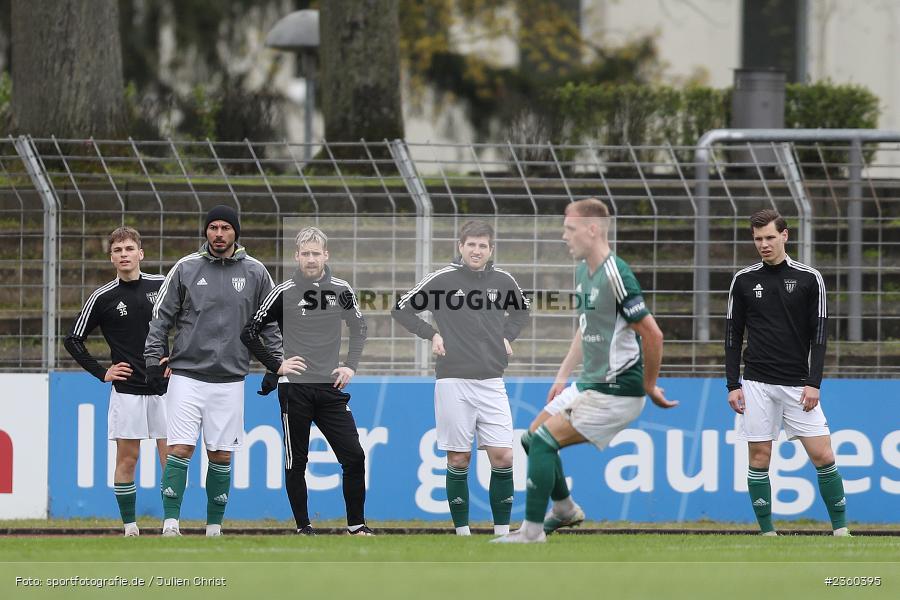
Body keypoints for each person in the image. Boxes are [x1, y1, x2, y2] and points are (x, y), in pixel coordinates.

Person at [494, 198, 677, 544]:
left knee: (546, 442)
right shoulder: (583, 271)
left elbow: (653, 333)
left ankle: (532, 533)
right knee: (532, 439)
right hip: (589, 382)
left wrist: (649, 384)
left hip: (617, 389)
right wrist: (562, 376)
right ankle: (563, 509)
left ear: (592, 230)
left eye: (570, 228)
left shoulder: (616, 274)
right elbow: (585, 326)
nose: (564, 236)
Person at [145, 205, 281, 537]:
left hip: (231, 379)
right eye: (213, 228)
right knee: (179, 448)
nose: (218, 234)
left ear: (236, 233)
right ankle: (171, 523)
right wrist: (152, 360)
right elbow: (160, 318)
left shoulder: (256, 272)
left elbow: (270, 325)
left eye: (225, 228)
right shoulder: (186, 268)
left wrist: (275, 366)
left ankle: (214, 528)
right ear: (205, 232)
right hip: (187, 376)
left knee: (221, 454)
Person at [392, 220, 530, 536]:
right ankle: (463, 534)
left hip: (492, 380)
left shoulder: (504, 281)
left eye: (483, 245)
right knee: (459, 458)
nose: (477, 250)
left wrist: (508, 336)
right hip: (453, 381)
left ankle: (502, 533)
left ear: (490, 249)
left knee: (504, 454)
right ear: (461, 247)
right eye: (471, 245)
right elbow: (401, 309)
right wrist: (431, 334)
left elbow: (522, 312)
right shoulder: (443, 280)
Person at [241, 226, 373, 536]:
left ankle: (357, 526)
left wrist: (350, 366)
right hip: (294, 390)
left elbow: (360, 328)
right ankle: (304, 527)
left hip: (331, 388)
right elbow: (249, 331)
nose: (311, 259)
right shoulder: (283, 291)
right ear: (296, 256)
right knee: (296, 461)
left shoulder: (341, 289)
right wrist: (277, 365)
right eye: (305, 254)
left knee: (354, 457)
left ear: (325, 255)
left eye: (316, 253)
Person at [725, 209, 849, 537]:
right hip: (755, 383)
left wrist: (814, 382)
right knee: (760, 456)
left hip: (798, 384)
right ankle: (767, 534)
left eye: (769, 237)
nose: (763, 244)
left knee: (823, 454)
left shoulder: (810, 278)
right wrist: (732, 384)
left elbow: (819, 335)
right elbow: (732, 335)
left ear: (785, 236)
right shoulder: (743, 280)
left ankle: (841, 531)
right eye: (757, 239)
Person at [64, 226, 168, 537]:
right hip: (126, 390)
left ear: (141, 253)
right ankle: (130, 527)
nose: (124, 254)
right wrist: (102, 372)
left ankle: (171, 524)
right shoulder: (103, 296)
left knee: (171, 459)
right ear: (112, 258)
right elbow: (73, 340)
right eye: (118, 251)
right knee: (128, 457)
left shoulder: (162, 286)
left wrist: (179, 359)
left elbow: (191, 321)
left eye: (129, 249)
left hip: (164, 388)